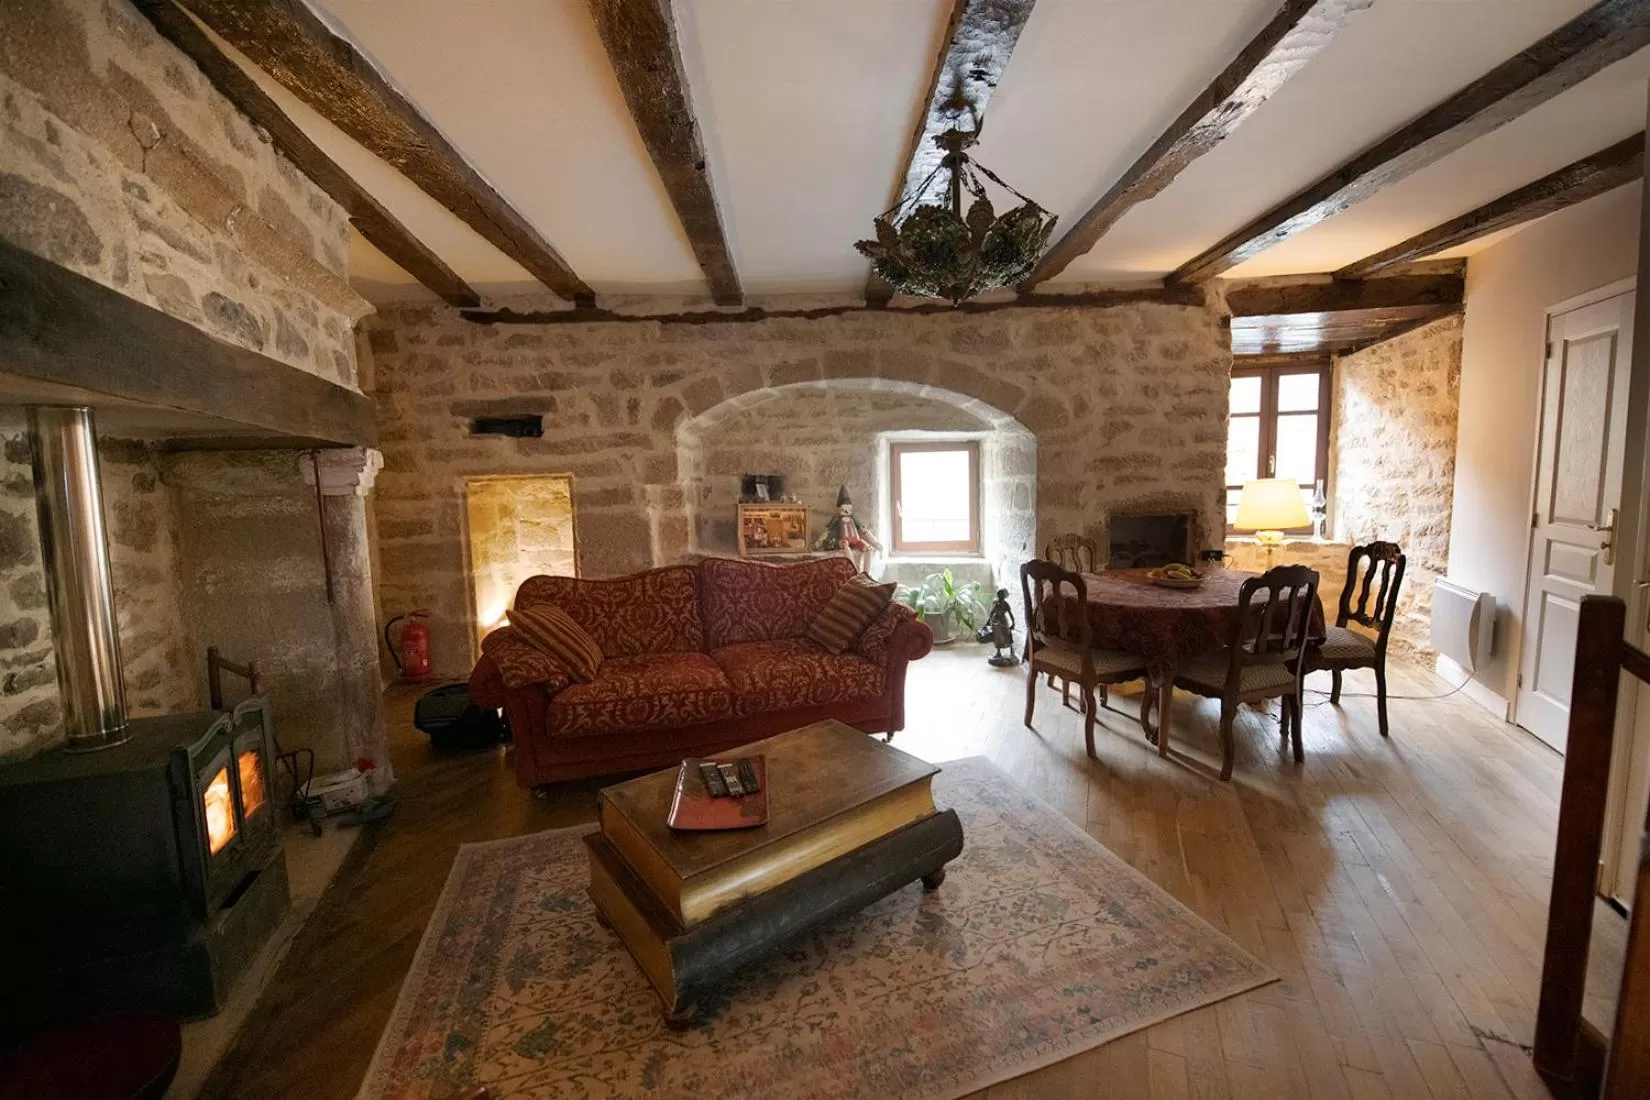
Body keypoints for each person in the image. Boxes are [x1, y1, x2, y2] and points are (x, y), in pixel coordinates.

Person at [815, 485, 882, 573]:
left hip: (855, 541)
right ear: (839, 508)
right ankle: (854, 570)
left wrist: (875, 542)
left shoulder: (853, 519)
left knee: (868, 549)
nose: (846, 510)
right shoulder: (836, 519)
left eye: (848, 507)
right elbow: (827, 531)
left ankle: (866, 573)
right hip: (843, 541)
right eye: (844, 507)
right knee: (846, 547)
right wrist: (819, 542)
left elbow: (863, 530)